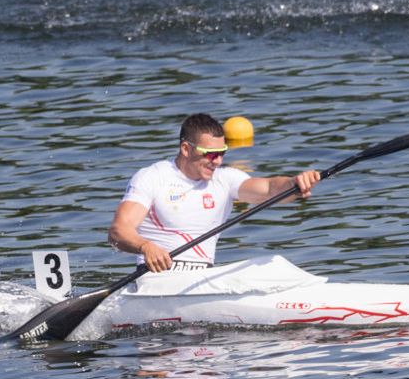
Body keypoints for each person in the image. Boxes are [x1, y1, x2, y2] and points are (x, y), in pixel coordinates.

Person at [108, 113, 321, 272]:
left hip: (203, 280)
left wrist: (295, 183)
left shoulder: (224, 179)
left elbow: (269, 189)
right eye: (211, 154)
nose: (217, 161)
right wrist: (145, 247)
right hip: (157, 280)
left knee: (272, 266)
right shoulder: (153, 177)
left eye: (221, 154)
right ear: (185, 149)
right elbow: (118, 232)